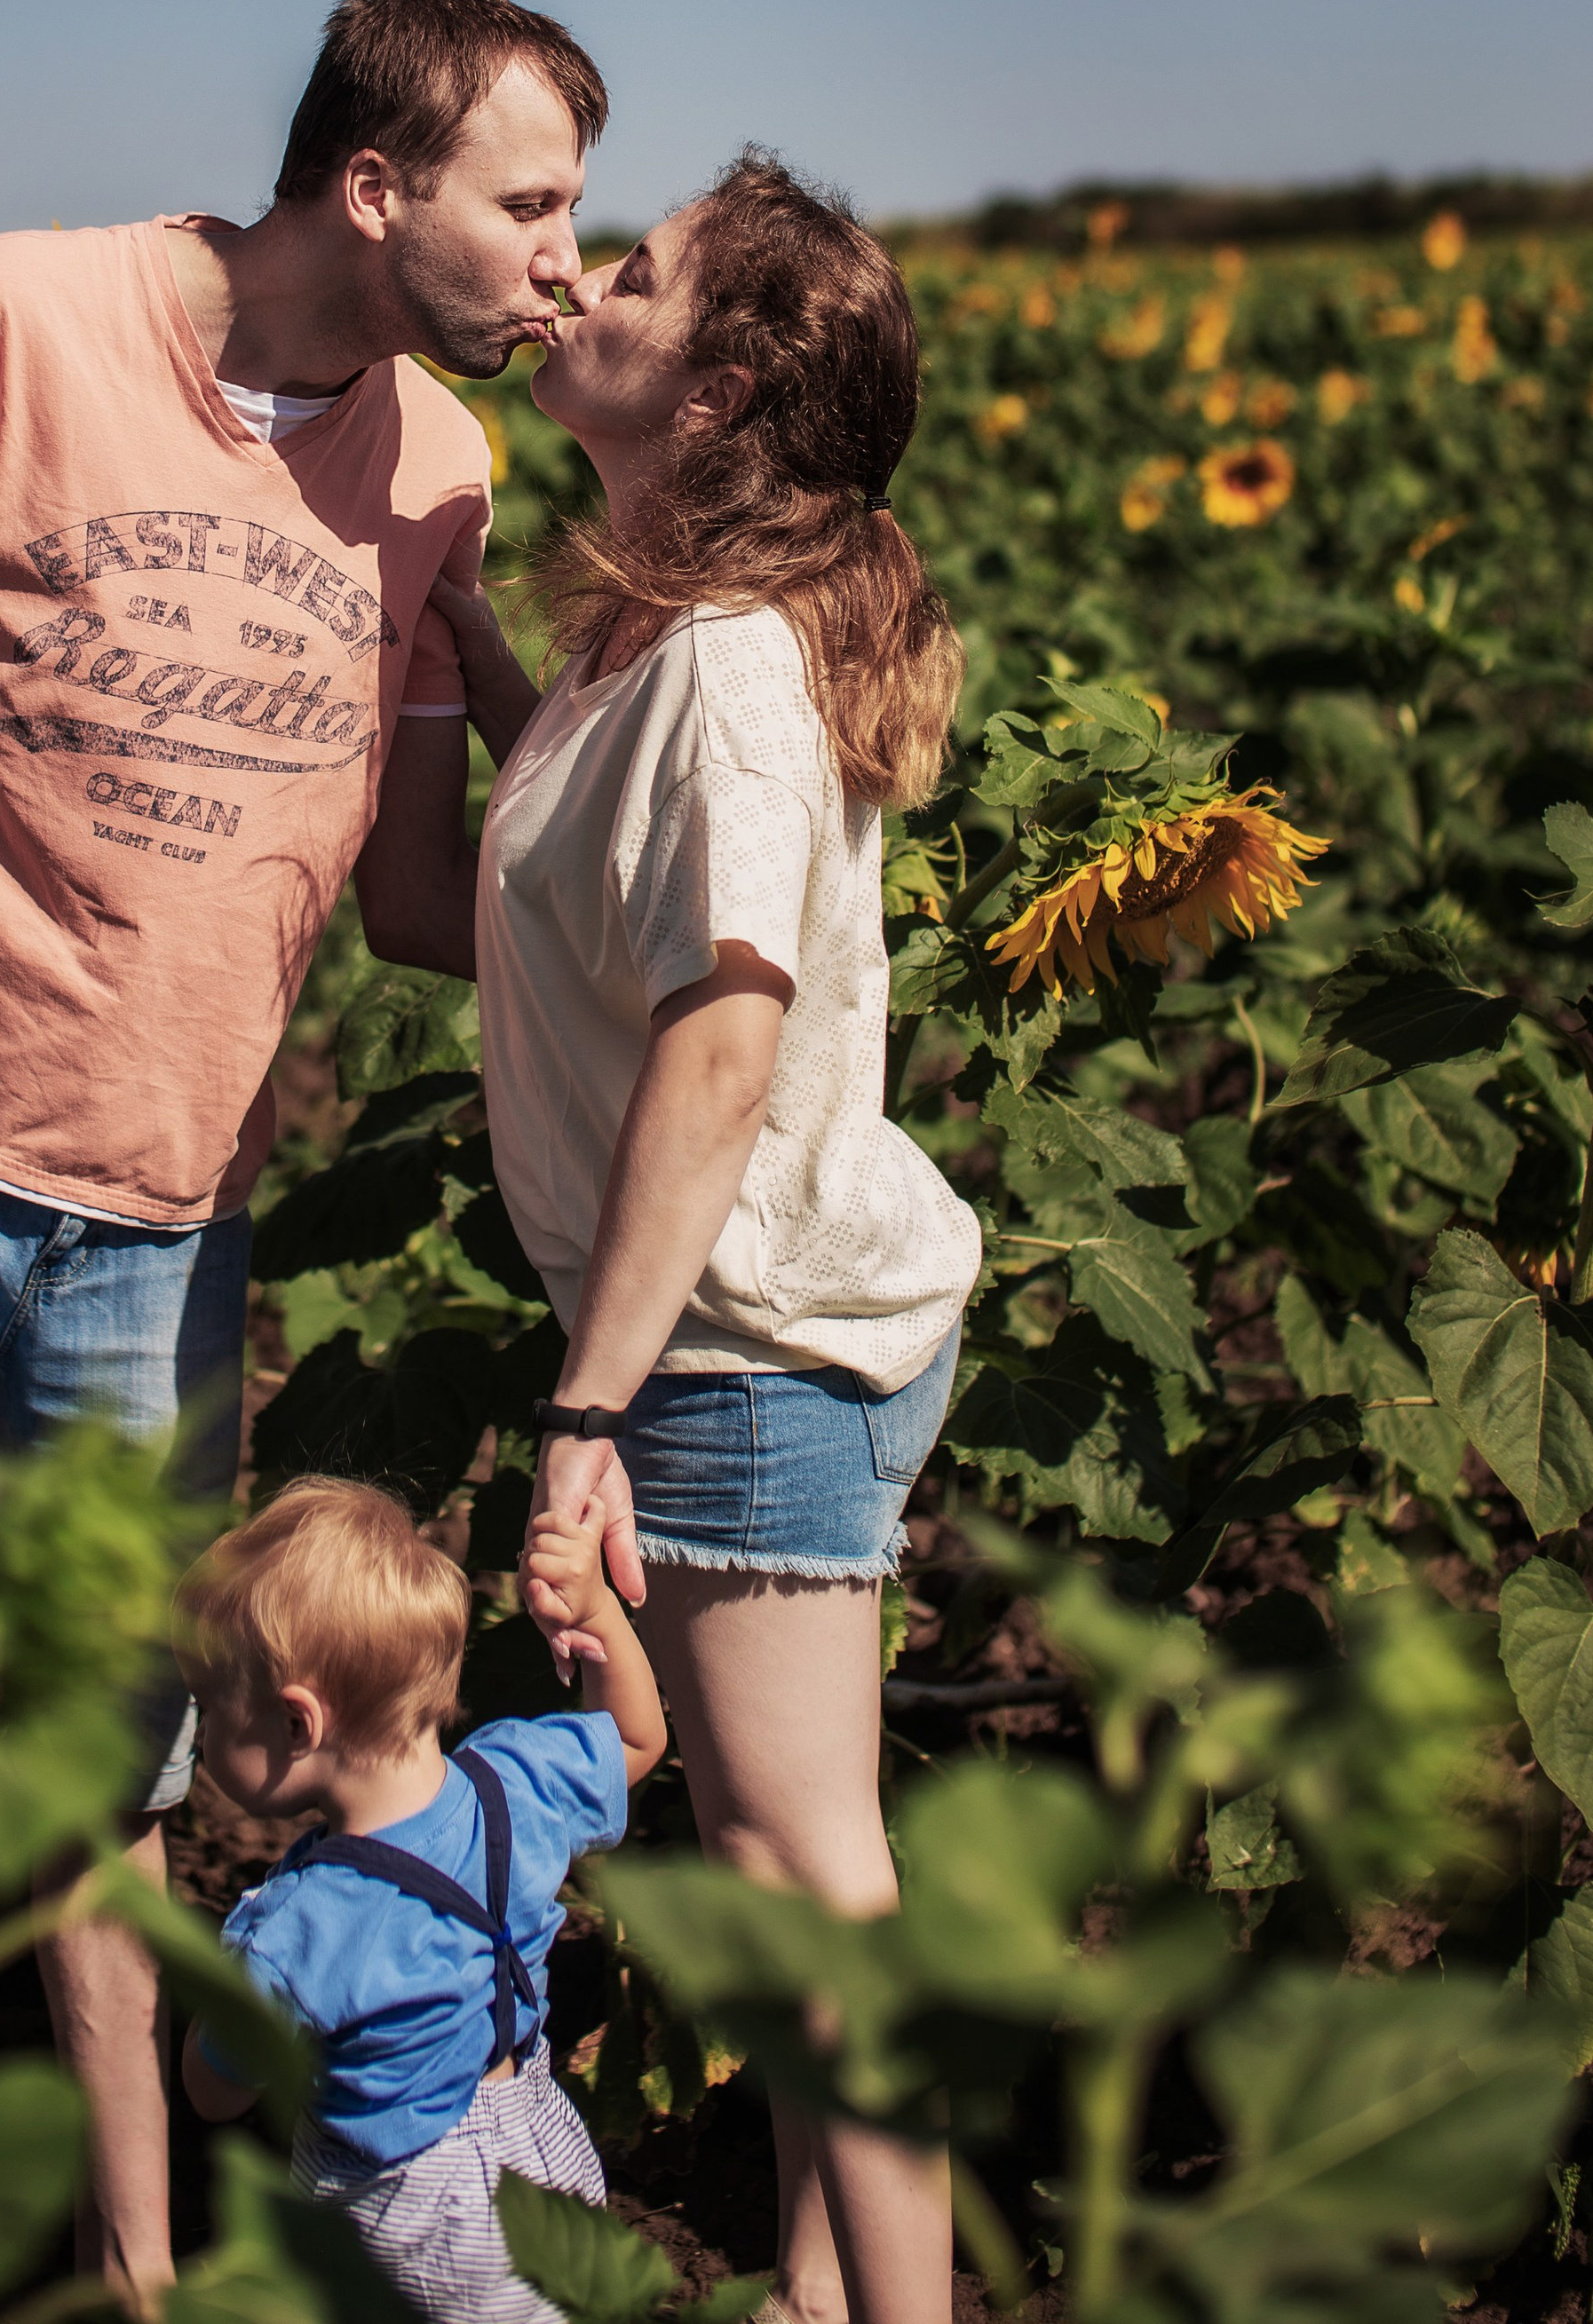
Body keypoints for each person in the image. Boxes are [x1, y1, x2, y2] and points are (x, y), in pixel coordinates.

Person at [0, 0, 607, 2311]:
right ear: (377, 189)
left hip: (156, 1213)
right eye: (537, 205)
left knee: (125, 1795)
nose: (571, 260)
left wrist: (608, 740)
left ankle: (140, 2281)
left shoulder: (439, 474)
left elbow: (411, 905)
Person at [384, 151, 979, 2324]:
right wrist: (443, 641)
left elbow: (717, 1046)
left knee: (812, 1906)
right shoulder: (669, 656)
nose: (575, 287)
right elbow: (468, 921)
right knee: (786, 1880)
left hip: (738, 1350)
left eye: (625, 273)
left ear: (715, 384)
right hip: (769, 1331)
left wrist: (582, 1411)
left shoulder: (724, 669)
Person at [176, 1478, 666, 2324]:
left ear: (298, 1725)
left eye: (208, 1709)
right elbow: (636, 1737)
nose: (200, 1734)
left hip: (407, 2217)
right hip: (546, 2153)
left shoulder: (299, 1926)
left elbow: (213, 2093)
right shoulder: (517, 1780)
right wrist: (593, 1609)